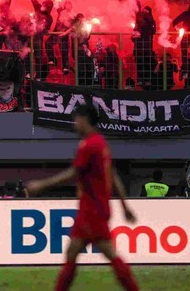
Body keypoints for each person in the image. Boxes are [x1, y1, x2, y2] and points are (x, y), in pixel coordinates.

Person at [27, 105, 139, 291]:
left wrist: (42, 185)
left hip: (92, 209)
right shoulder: (101, 143)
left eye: (76, 119)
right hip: (93, 207)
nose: (75, 123)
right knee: (73, 252)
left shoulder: (89, 146)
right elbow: (113, 175)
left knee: (107, 253)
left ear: (85, 119)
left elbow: (74, 173)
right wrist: (124, 205)